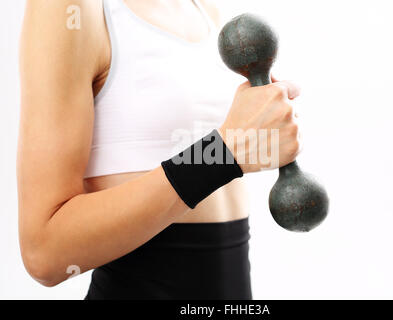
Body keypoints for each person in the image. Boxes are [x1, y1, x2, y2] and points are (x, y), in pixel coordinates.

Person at [18, 0, 301, 299]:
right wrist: (221, 153)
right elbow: (43, 253)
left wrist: (263, 129)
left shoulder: (206, 10)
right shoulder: (68, 8)